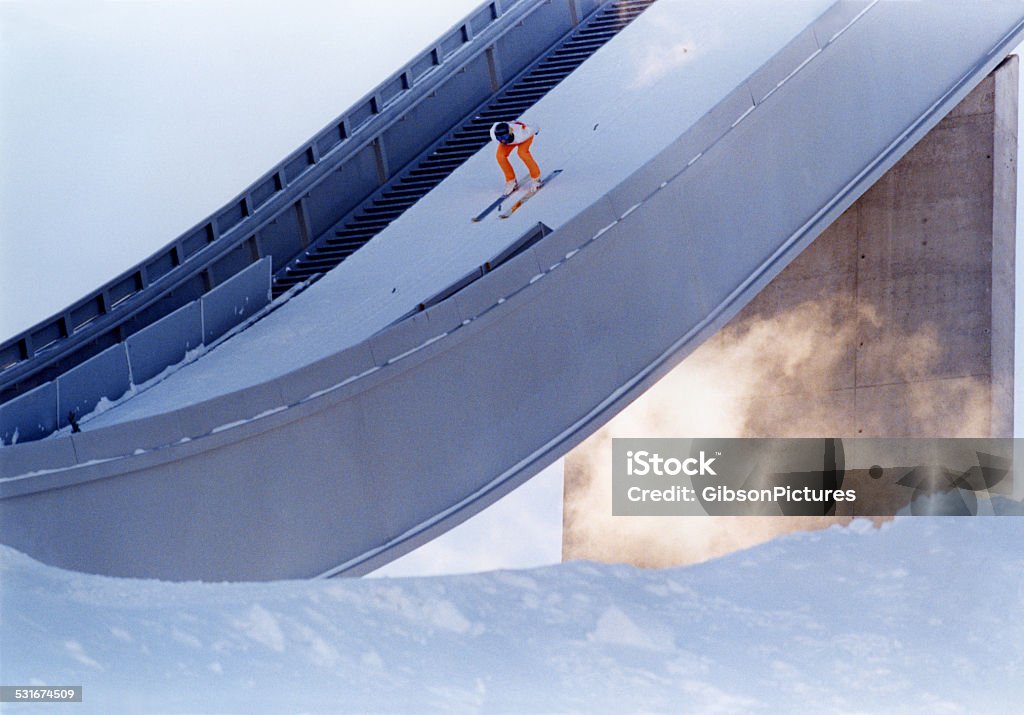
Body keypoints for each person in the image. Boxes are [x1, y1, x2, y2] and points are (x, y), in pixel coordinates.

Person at [490, 120, 542, 195]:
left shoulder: (523, 133)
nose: (503, 140)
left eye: (504, 137)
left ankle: (536, 178)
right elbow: (498, 126)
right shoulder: (494, 135)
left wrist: (537, 129)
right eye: (499, 138)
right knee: (500, 156)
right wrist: (503, 138)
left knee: (522, 153)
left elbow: (534, 128)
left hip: (524, 139)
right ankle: (511, 180)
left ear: (510, 132)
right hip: (511, 137)